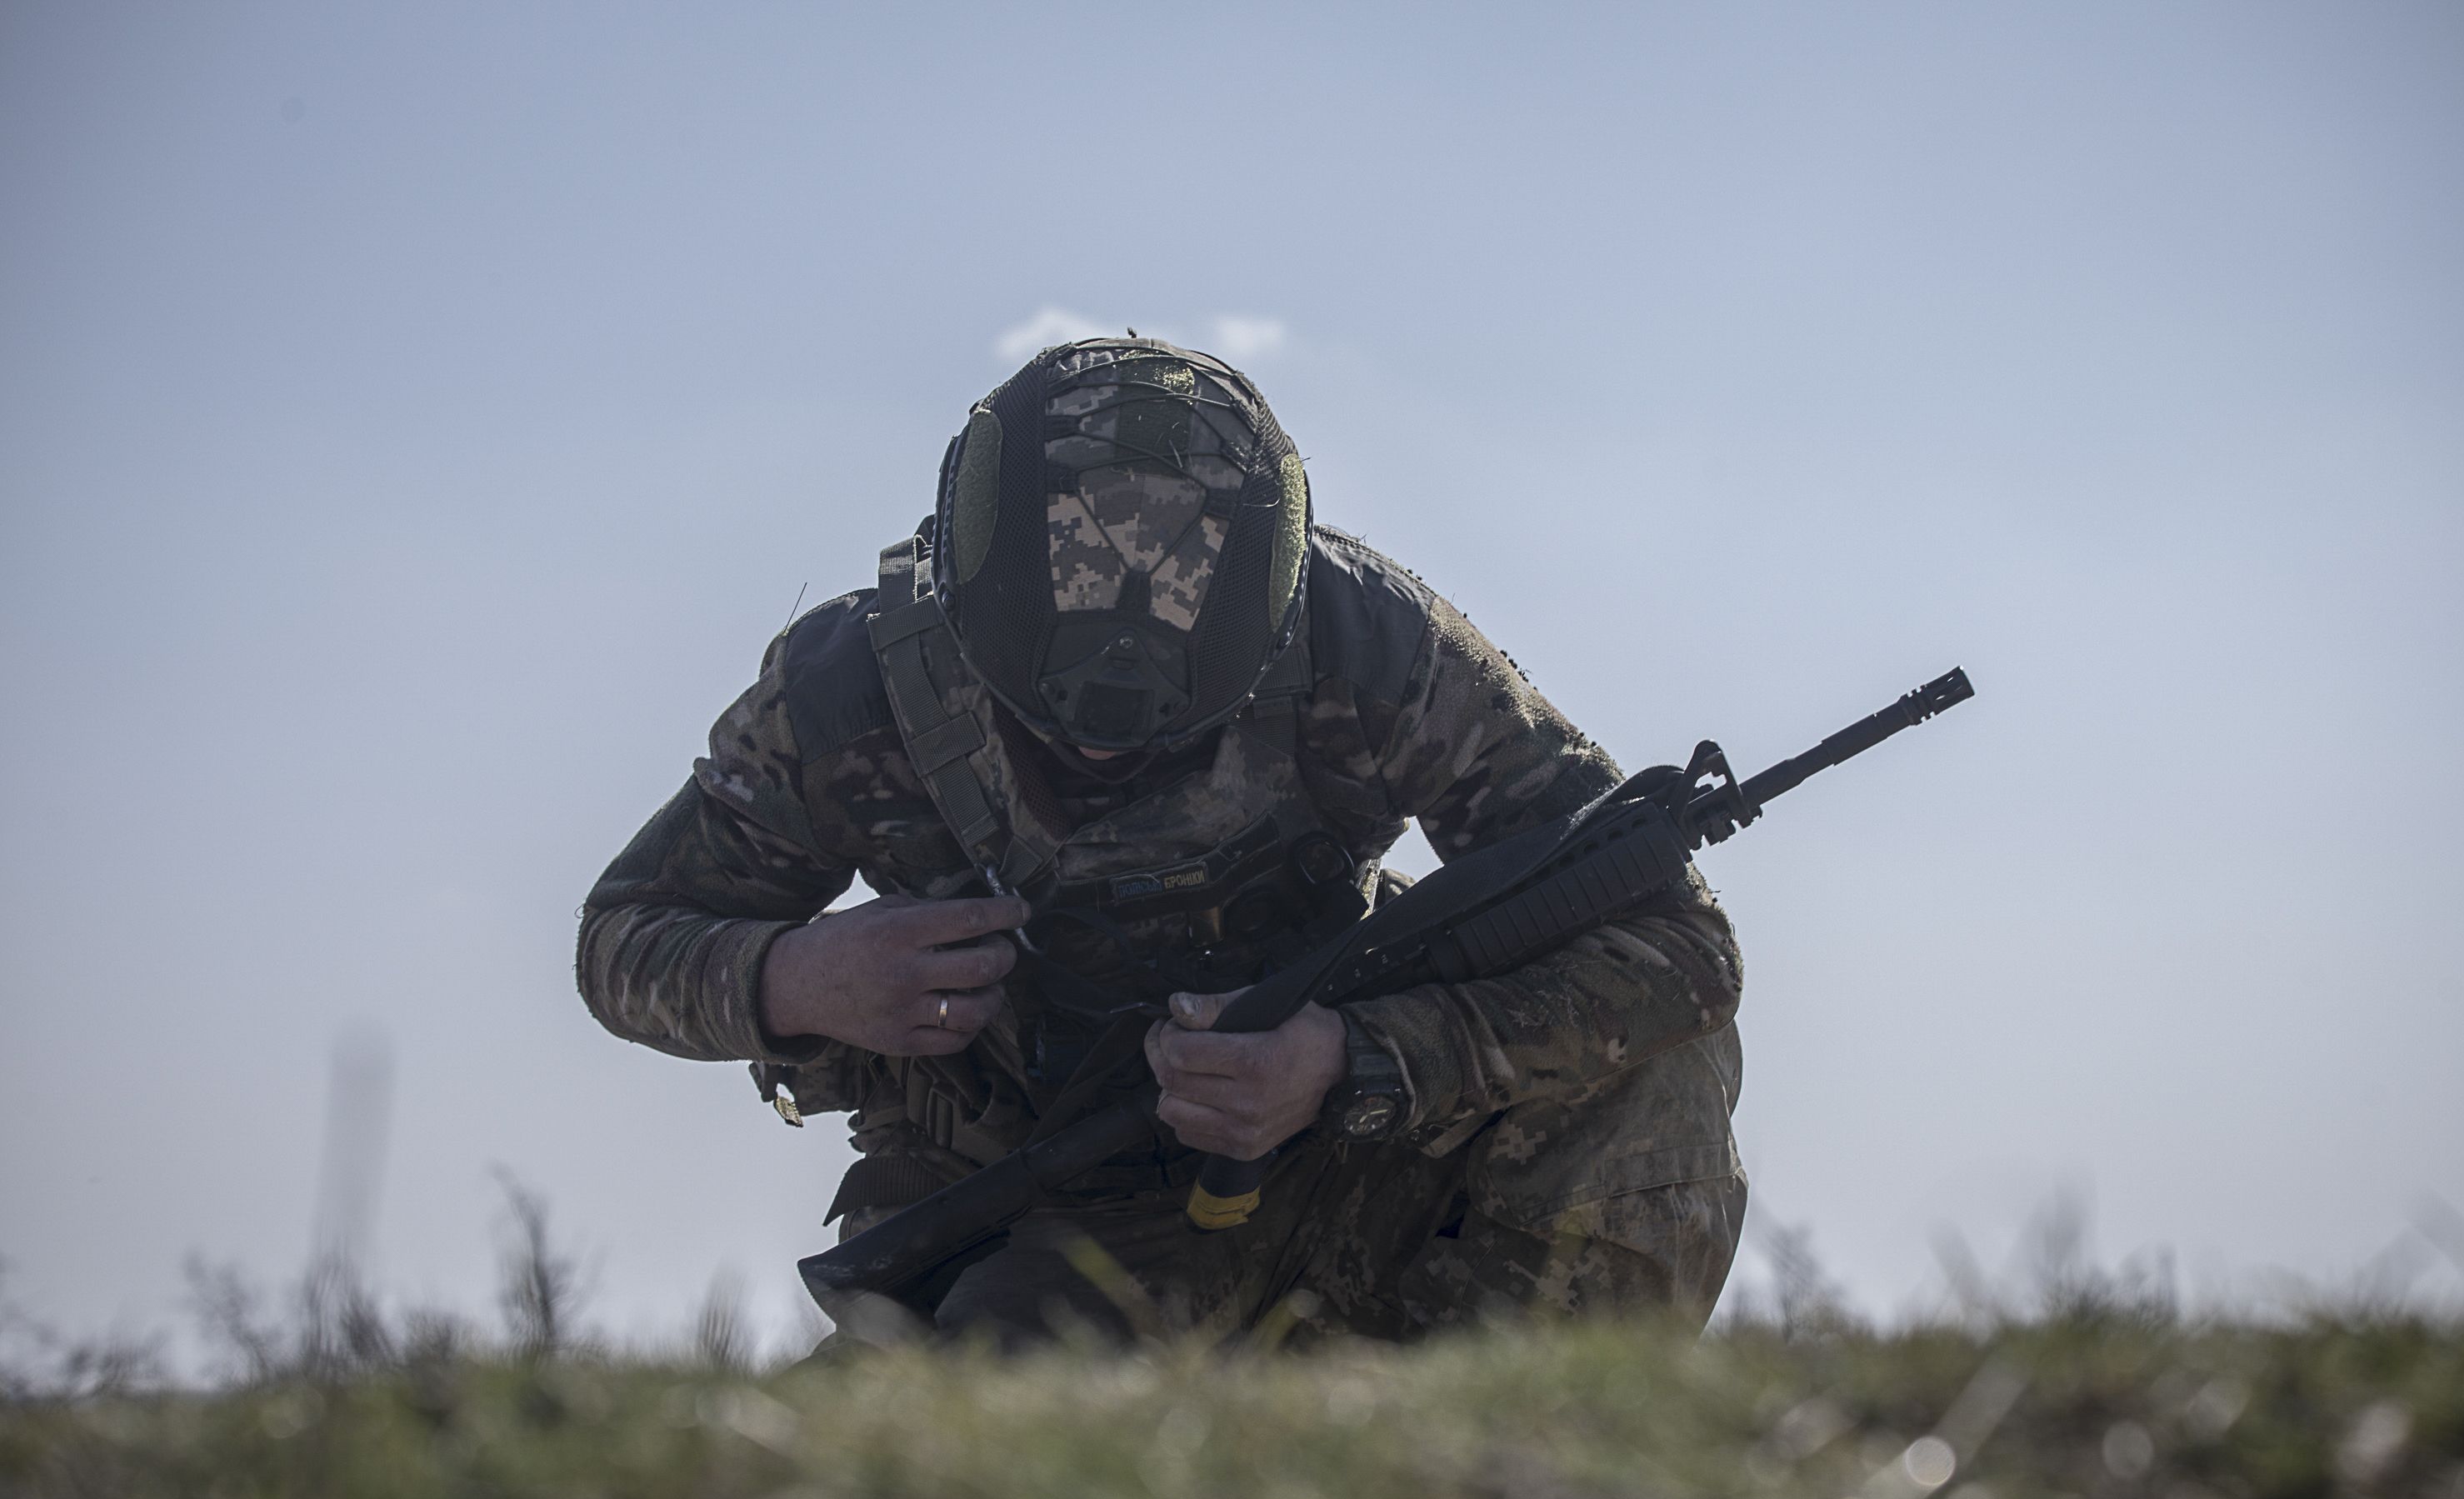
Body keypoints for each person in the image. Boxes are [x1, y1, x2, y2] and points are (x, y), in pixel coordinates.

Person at [577, 338, 1747, 1345]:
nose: (1127, 622)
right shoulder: (848, 690)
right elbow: (622, 941)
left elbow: (1680, 950)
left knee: (1651, 1066)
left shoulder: (1367, 641)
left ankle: (1499, 1497)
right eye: (1082, 562)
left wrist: (1356, 1060)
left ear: (1257, 584)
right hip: (1027, 1212)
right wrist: (796, 979)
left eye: (1183, 576)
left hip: (1353, 1169)